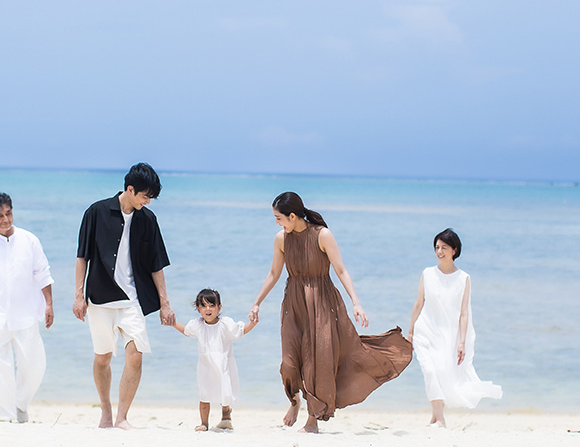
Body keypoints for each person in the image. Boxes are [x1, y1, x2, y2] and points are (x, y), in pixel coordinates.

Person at [250, 192, 411, 433]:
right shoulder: (281, 239)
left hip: (322, 304)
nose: (276, 222)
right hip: (294, 304)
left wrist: (356, 303)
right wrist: (257, 302)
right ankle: (294, 401)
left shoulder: (322, 235)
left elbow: (341, 270)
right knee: (290, 361)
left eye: (278, 218)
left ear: (292, 216)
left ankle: (312, 420)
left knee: (317, 360)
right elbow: (274, 274)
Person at [73, 163, 174, 429]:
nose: (148, 201)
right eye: (145, 196)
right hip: (100, 298)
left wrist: (165, 303)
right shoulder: (96, 212)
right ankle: (106, 412)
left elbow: (157, 264)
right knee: (103, 358)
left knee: (136, 355)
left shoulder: (148, 220)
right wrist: (78, 295)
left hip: (132, 299)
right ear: (130, 189)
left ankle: (122, 417)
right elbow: (82, 256)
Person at [0, 192, 54, 423]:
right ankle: (5, 414)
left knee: (35, 364)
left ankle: (20, 403)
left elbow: (43, 274)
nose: (5, 219)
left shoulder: (29, 240)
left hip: (26, 314)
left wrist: (49, 304)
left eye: (8, 213)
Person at [406, 228, 502, 428]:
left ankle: (435, 417)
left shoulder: (463, 278)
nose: (439, 251)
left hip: (447, 335)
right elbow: (418, 303)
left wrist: (462, 342)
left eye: (444, 247)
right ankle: (440, 419)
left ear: (454, 250)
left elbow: (464, 313)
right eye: (437, 247)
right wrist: (410, 332)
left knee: (442, 372)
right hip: (424, 331)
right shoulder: (427, 273)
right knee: (429, 371)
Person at [171, 288, 257, 432]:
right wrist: (173, 324)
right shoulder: (198, 324)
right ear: (198, 309)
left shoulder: (225, 324)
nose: (208, 309)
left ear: (219, 307)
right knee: (204, 394)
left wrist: (252, 323)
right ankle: (204, 423)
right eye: (204, 306)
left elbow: (240, 330)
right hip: (205, 366)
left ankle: (226, 417)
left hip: (223, 366)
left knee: (225, 393)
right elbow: (186, 331)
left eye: (212, 305)